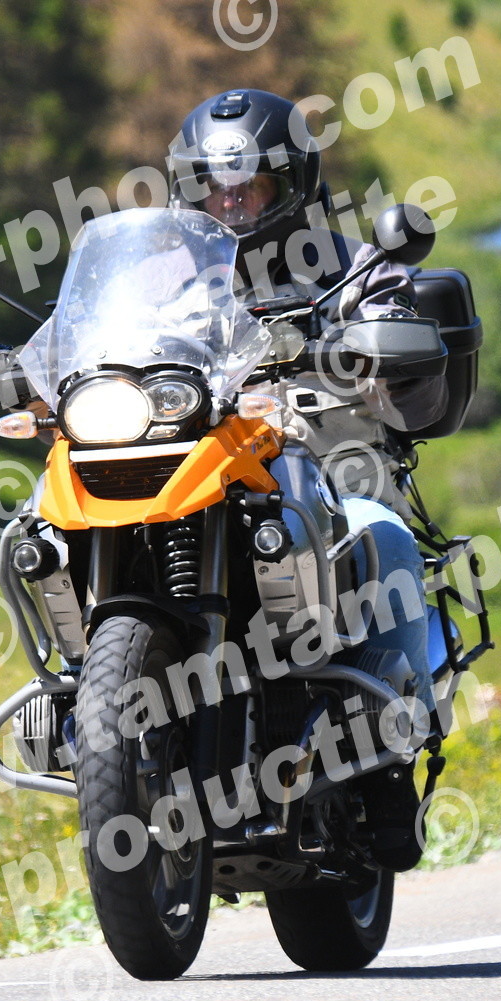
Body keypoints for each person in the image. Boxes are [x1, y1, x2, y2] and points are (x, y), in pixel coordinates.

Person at [168, 87, 447, 870]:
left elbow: (397, 344)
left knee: (385, 536)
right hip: (196, 480)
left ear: (291, 185)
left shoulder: (354, 266)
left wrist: (380, 345)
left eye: (249, 185)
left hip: (325, 474)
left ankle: (387, 758)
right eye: (214, 186)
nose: (231, 202)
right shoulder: (171, 278)